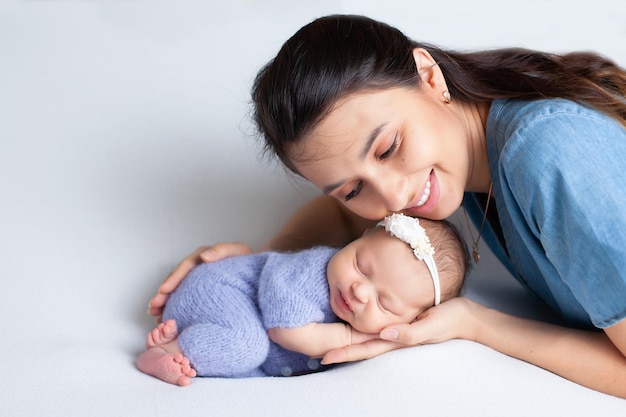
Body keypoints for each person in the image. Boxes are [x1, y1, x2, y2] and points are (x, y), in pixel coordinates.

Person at [148, 14, 626, 397]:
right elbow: (339, 215)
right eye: (354, 188)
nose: (394, 199)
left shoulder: (549, 153)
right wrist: (257, 271)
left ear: (429, 76)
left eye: (388, 148)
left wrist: (477, 323)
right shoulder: (469, 149)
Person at [138, 214, 469, 386]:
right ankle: (169, 351)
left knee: (249, 366)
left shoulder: (362, 308)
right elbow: (284, 329)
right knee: (246, 347)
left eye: (385, 304)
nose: (360, 291)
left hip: (225, 315)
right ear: (360, 238)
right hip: (219, 290)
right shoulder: (313, 271)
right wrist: (351, 337)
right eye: (360, 265)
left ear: (410, 321)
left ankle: (189, 340)